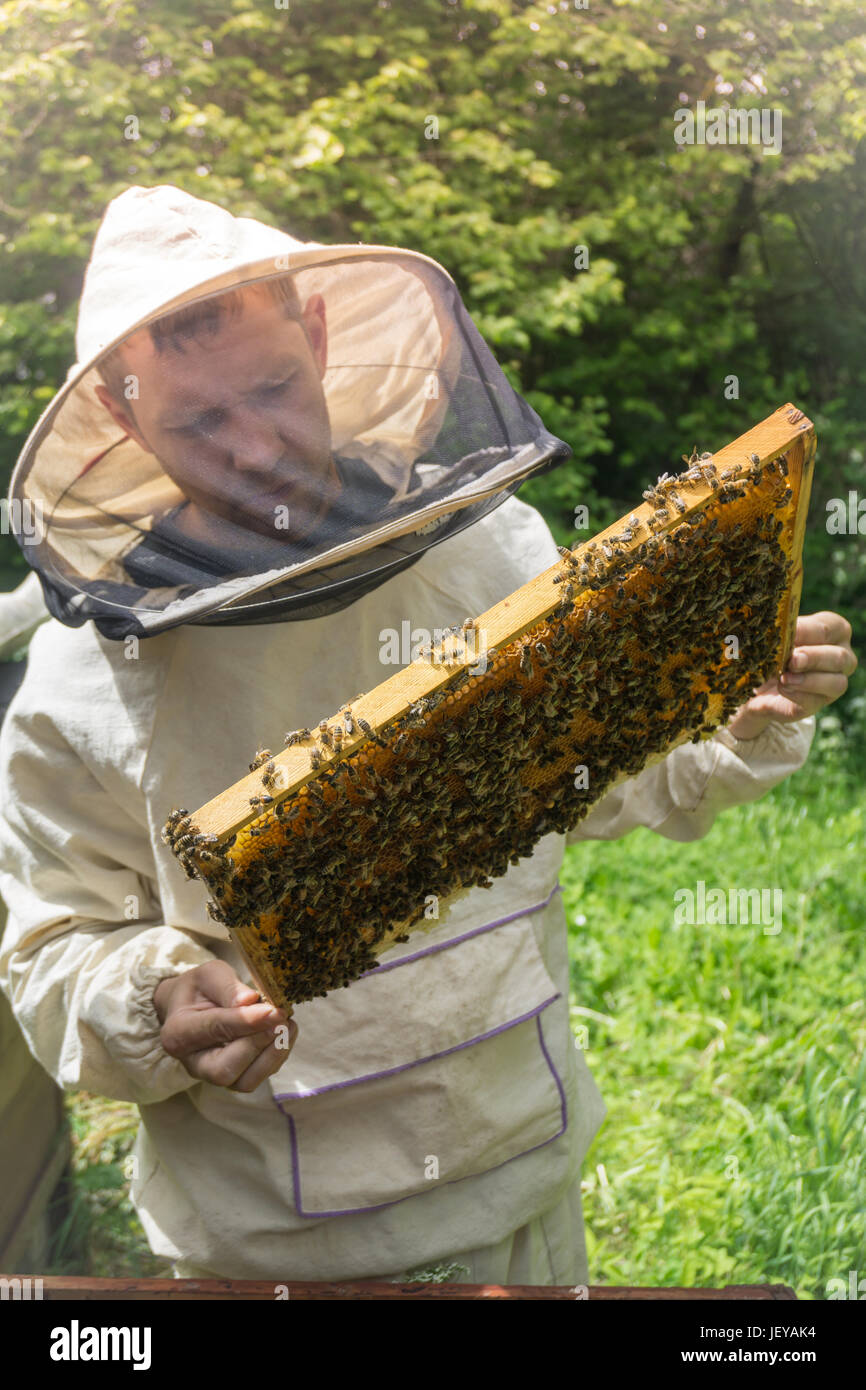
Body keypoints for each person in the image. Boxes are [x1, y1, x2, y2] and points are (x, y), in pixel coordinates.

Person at [0, 184, 856, 1286]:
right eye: (201, 422)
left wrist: (733, 699)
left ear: (314, 336)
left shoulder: (485, 549)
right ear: (123, 419)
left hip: (519, 1183)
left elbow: (600, 772)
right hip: (268, 1246)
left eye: (271, 388)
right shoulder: (84, 682)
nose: (256, 447)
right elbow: (48, 949)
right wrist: (153, 998)